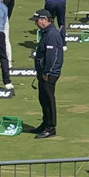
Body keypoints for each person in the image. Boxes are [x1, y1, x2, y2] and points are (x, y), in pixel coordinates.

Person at [30, 10, 64, 139]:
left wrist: (46, 72)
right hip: (44, 73)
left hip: (49, 74)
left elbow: (52, 56)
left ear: (44, 19)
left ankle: (51, 127)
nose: (36, 23)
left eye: (37, 20)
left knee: (48, 100)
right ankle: (45, 123)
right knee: (43, 99)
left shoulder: (52, 34)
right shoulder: (46, 33)